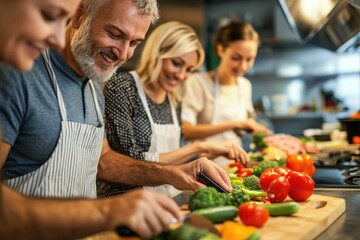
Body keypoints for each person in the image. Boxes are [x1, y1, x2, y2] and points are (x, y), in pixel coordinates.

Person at [0, 0, 182, 239]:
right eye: (115, 34)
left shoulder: (95, 84)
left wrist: (173, 174)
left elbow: (102, 161)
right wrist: (108, 211)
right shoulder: (17, 74)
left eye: (135, 43)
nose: (124, 53)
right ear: (78, 16)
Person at [102, 21, 248, 198]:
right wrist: (198, 146)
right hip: (129, 204)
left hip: (168, 199)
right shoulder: (122, 88)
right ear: (157, 54)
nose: (181, 75)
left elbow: (171, 161)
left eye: (189, 69)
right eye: (176, 63)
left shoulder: (173, 98)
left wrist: (204, 156)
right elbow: (131, 162)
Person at [181, 21, 273, 167]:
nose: (243, 66)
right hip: (203, 168)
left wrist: (257, 131)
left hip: (235, 167)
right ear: (221, 50)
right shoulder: (197, 82)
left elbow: (244, 128)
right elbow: (186, 131)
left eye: (249, 59)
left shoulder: (244, 85)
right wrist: (236, 123)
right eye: (236, 58)